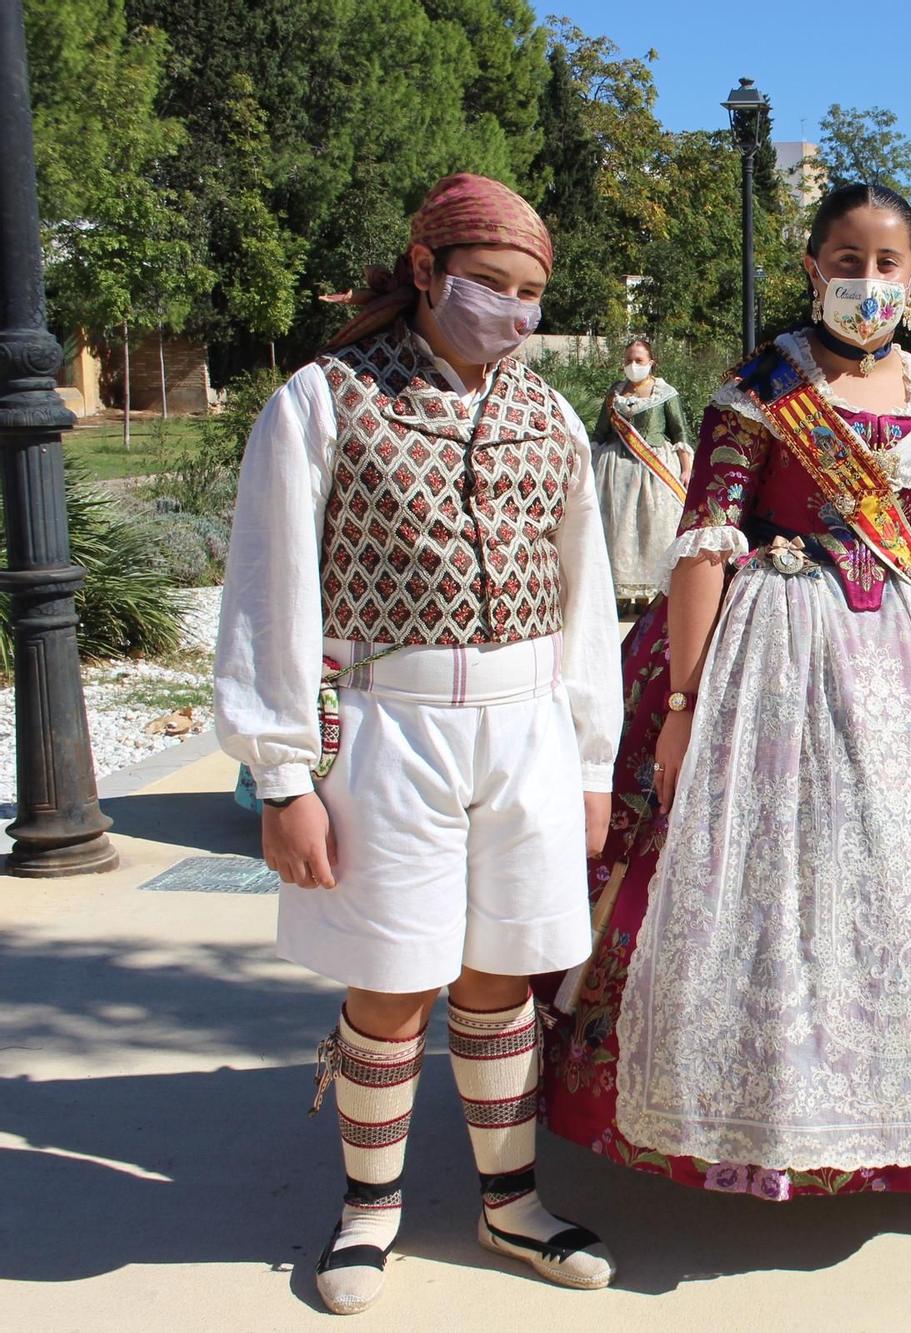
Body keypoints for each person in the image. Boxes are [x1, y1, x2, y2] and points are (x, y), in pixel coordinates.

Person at [538, 183, 911, 1201]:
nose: (867, 281)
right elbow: (705, 538)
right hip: (774, 663)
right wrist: (680, 708)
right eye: (847, 260)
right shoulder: (759, 385)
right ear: (811, 268)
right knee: (760, 884)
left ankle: (886, 1112)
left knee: (888, 892)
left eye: (887, 263)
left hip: (905, 673)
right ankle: (741, 1108)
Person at [214, 173, 622, 1314]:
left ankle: (510, 1203)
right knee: (392, 982)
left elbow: (585, 599)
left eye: (530, 291)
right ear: (429, 270)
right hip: (388, 726)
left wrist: (591, 759)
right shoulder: (328, 398)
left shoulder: (548, 413)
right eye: (489, 282)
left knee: (499, 979)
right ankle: (367, 1209)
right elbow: (269, 587)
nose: (510, 308)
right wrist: (281, 774)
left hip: (528, 728)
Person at [590, 337, 691, 608]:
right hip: (614, 471)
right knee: (618, 530)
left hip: (654, 469)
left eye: (639, 360)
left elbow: (680, 431)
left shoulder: (665, 393)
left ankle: (652, 595)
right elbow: (600, 431)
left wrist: (685, 468)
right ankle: (621, 594)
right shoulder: (615, 392)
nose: (633, 365)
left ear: (651, 362)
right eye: (628, 361)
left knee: (651, 527)